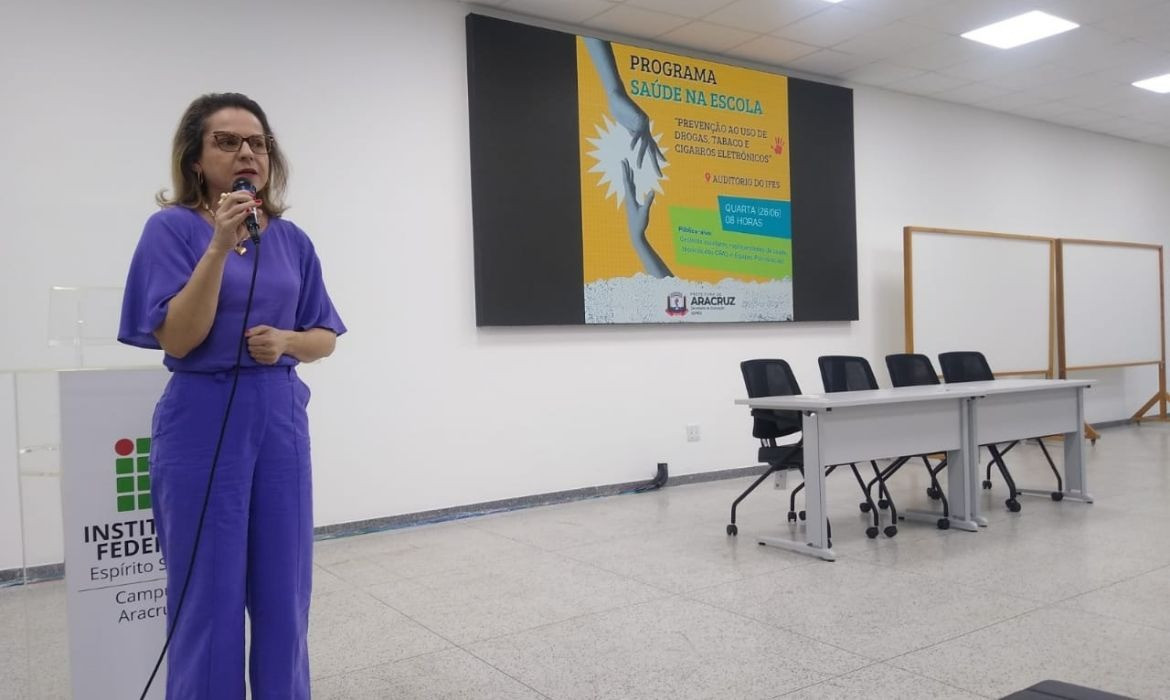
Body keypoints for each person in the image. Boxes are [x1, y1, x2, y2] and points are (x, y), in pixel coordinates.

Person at [118, 92, 345, 699]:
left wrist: (289, 341)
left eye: (258, 143)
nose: (247, 152)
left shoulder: (292, 240)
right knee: (207, 594)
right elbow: (179, 338)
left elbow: (324, 337)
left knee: (284, 590)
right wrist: (219, 245)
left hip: (279, 418)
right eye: (227, 141)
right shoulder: (171, 229)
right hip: (201, 416)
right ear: (195, 158)